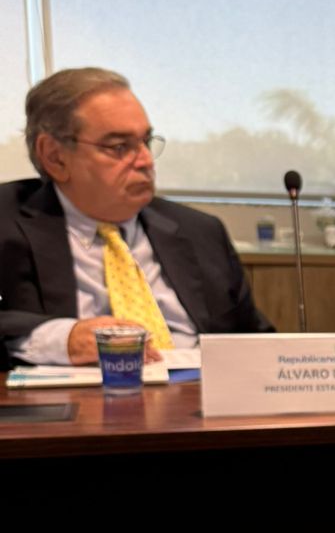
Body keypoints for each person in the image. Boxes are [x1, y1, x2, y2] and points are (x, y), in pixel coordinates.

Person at [0, 68, 271, 371]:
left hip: (200, 393)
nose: (145, 161)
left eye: (146, 142)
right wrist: (63, 340)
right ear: (55, 156)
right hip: (80, 397)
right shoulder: (6, 221)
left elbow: (257, 343)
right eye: (119, 147)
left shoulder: (201, 232)